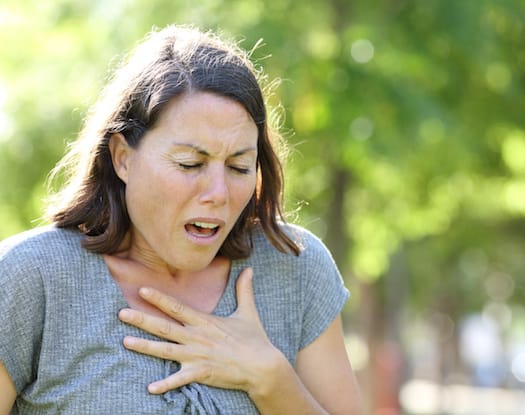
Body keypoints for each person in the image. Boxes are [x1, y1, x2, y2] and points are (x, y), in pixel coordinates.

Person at [0, 25, 362, 414]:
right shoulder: (30, 278)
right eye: (191, 163)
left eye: (239, 167)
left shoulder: (296, 269)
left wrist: (271, 379)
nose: (219, 193)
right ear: (123, 157)